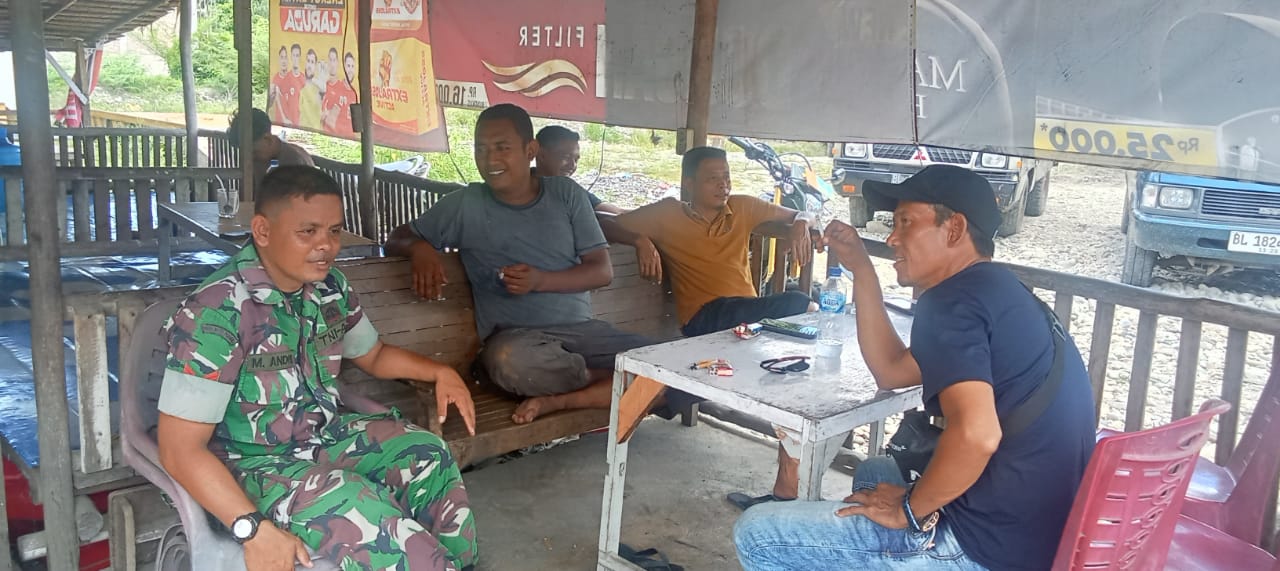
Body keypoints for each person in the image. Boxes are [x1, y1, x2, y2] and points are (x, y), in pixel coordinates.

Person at [733, 164, 1096, 570]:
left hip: (985, 547)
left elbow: (977, 435)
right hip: (1045, 537)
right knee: (875, 473)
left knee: (758, 534)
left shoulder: (950, 303)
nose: (891, 237)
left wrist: (908, 511)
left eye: (905, 222)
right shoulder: (1003, 293)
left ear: (954, 229)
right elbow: (891, 371)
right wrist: (862, 268)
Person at [157, 166, 479, 571]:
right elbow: (179, 449)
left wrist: (440, 372)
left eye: (334, 231)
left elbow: (374, 355)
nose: (326, 245)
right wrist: (251, 529)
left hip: (324, 436)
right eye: (308, 232)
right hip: (252, 465)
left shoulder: (330, 288)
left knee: (427, 453)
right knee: (359, 508)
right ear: (262, 231)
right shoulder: (217, 311)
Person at [385, 104, 652, 425]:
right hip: (519, 344)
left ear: (530, 150)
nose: (490, 160)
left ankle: (564, 397)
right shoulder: (466, 205)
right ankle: (607, 382)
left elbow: (601, 271)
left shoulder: (566, 195)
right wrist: (419, 247)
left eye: (502, 148)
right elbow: (396, 238)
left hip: (584, 335)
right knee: (507, 361)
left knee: (671, 364)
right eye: (481, 149)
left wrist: (539, 281)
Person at [607, 146, 815, 337]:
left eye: (726, 177)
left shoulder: (742, 207)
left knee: (800, 306)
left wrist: (801, 222)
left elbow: (805, 214)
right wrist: (638, 240)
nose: (723, 184)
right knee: (797, 302)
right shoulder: (667, 213)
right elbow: (605, 223)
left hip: (745, 310)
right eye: (712, 178)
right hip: (703, 317)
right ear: (689, 184)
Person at [534, 125, 663, 282]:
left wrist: (659, 218)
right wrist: (638, 240)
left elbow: (613, 213)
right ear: (540, 154)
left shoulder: (572, 191)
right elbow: (598, 221)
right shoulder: (526, 189)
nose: (572, 165)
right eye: (565, 157)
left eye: (576, 159)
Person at [226, 108, 315, 191]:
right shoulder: (260, 159)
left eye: (254, 152)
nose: (250, 157)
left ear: (267, 139)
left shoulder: (294, 161)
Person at [321, 49, 357, 135]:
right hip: (335, 138)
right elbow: (323, 115)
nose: (350, 70)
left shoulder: (355, 94)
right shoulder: (335, 87)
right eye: (348, 66)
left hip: (350, 139)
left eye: (352, 66)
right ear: (344, 67)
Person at [297, 49, 324, 131]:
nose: (309, 65)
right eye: (308, 61)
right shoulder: (300, 88)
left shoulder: (319, 89)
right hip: (300, 131)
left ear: (315, 66)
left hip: (315, 132)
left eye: (312, 62)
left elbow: (324, 90)